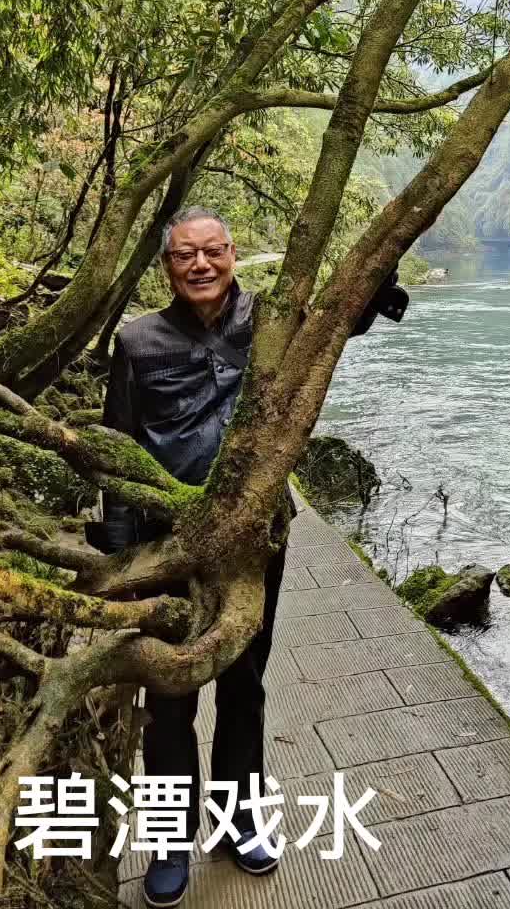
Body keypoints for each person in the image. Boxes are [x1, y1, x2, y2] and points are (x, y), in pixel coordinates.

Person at [97, 205, 398, 909]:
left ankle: (237, 823)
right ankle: (171, 838)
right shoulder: (138, 342)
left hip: (258, 537)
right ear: (167, 266)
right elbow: (114, 445)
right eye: (184, 256)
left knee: (244, 683)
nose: (200, 265)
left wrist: (382, 276)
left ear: (233, 253)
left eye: (213, 252)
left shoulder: (269, 319)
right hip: (167, 541)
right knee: (171, 693)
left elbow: (337, 323)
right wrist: (119, 552)